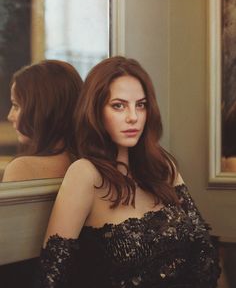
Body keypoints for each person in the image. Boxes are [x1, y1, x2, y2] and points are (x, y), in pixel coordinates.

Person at [37, 56, 220, 287]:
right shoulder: (85, 175)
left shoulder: (163, 167)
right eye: (118, 105)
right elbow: (50, 279)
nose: (133, 116)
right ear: (95, 111)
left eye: (140, 105)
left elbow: (203, 249)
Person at [2, 60, 83, 182]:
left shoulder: (22, 168)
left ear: (44, 109)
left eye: (16, 105)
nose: (10, 116)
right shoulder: (87, 165)